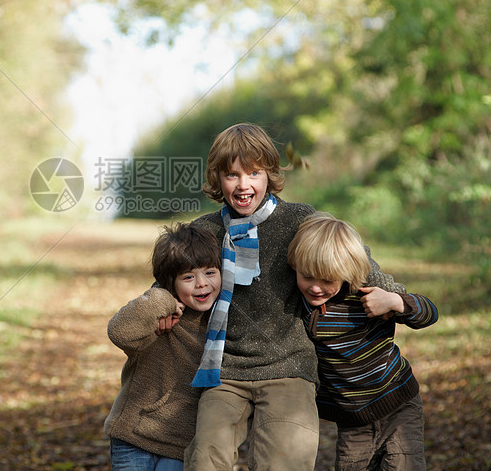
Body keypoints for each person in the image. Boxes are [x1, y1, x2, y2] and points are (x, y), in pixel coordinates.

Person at [184, 122, 407, 471]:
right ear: (217, 179)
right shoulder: (206, 230)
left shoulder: (297, 219)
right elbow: (172, 277)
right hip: (225, 371)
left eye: (254, 172)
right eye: (231, 175)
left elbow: (349, 253)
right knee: (204, 458)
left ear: (270, 174)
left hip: (289, 367)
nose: (244, 185)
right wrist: (161, 306)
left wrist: (393, 294)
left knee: (286, 461)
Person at [287, 213, 438, 470]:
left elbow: (429, 313)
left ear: (345, 274)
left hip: (397, 406)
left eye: (327, 281)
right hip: (352, 423)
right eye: (308, 277)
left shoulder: (368, 297)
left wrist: (394, 301)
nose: (315, 288)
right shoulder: (299, 305)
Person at [105, 222, 223, 470]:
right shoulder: (158, 317)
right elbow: (118, 331)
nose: (202, 283)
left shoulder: (223, 322)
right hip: (132, 436)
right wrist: (161, 298)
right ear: (170, 283)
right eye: (189, 277)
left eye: (210, 273)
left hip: (181, 446)